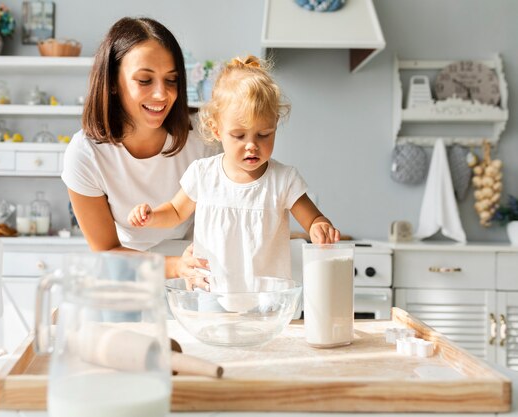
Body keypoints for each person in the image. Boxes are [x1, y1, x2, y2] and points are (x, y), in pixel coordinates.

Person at [128, 55, 340, 291]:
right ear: (216, 130)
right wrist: (152, 216)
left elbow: (313, 218)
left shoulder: (284, 180)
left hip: (266, 300)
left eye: (264, 134)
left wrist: (319, 226)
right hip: (211, 294)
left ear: (275, 124)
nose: (252, 145)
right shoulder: (203, 174)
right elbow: (176, 211)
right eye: (239, 136)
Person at [61, 17, 219, 281]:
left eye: (171, 80)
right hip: (128, 268)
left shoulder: (204, 135)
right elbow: (107, 250)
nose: (161, 94)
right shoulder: (85, 154)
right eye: (145, 80)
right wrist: (174, 267)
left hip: (198, 263)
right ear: (112, 82)